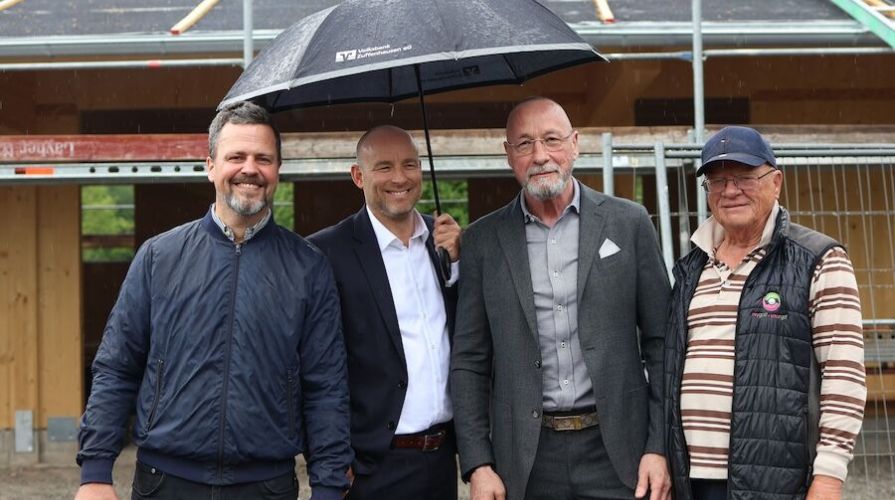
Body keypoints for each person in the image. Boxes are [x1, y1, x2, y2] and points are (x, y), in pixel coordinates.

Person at [75, 101, 352, 500]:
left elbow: (325, 385)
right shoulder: (158, 258)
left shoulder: (308, 267)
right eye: (236, 157)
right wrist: (95, 473)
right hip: (164, 483)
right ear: (210, 166)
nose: (250, 169)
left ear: (278, 170)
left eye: (263, 158)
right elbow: (117, 368)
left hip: (266, 486)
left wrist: (328, 486)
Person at [450, 97, 672, 500]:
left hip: (620, 454)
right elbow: (469, 361)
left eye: (551, 139)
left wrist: (658, 447)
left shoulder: (629, 223)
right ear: (508, 155)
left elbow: (662, 345)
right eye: (524, 144)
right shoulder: (482, 241)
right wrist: (478, 464)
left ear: (575, 144)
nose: (540, 156)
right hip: (527, 461)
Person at [664, 126, 867, 499]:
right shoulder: (692, 268)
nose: (730, 191)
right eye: (717, 181)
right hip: (691, 480)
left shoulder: (818, 260)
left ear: (776, 183)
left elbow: (843, 374)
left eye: (744, 177)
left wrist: (829, 476)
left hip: (778, 482)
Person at [307, 125, 462, 500]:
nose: (399, 178)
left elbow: (470, 338)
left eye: (409, 164)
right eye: (384, 167)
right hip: (369, 467)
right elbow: (314, 367)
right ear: (358, 176)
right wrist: (328, 457)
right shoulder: (326, 253)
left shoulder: (447, 243)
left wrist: (457, 265)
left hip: (442, 460)